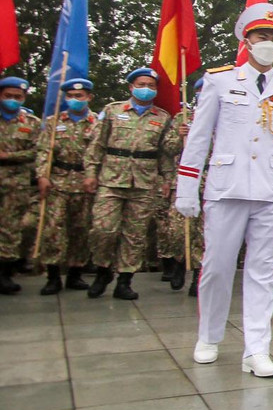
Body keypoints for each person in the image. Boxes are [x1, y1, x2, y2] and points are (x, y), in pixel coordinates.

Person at [175, 4, 273, 377]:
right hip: (227, 187)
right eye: (262, 36)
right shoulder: (219, 81)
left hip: (270, 189)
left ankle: (257, 350)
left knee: (263, 272)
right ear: (246, 41)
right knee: (217, 267)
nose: (269, 43)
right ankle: (209, 337)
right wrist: (187, 188)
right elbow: (199, 138)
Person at [87, 68, 176, 300]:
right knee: (103, 229)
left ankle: (125, 280)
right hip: (111, 179)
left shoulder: (162, 117)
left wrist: (168, 179)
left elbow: (165, 153)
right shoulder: (112, 111)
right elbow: (97, 145)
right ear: (131, 87)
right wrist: (90, 173)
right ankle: (103, 270)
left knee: (135, 235)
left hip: (144, 183)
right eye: (141, 84)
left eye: (151, 85)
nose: (146, 89)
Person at [35, 77, 98, 295]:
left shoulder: (98, 123)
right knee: (53, 229)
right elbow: (44, 151)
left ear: (88, 97)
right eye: (70, 96)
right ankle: (53, 276)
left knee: (80, 229)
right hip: (58, 181)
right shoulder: (54, 122)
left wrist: (93, 176)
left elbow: (99, 154)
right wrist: (42, 176)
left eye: (79, 96)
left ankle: (75, 274)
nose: (74, 99)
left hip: (85, 182)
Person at [157, 78, 203, 293]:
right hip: (184, 180)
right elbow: (167, 148)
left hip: (212, 181)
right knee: (177, 230)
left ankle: (198, 275)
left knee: (204, 233)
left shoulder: (227, 117)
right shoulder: (182, 118)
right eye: (201, 91)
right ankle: (178, 262)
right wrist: (179, 135)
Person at [0, 77, 37, 295]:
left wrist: (9, 156)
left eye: (18, 97)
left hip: (16, 182)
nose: (13, 100)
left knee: (10, 227)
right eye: (8, 96)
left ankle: (5, 272)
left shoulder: (31, 123)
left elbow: (37, 151)